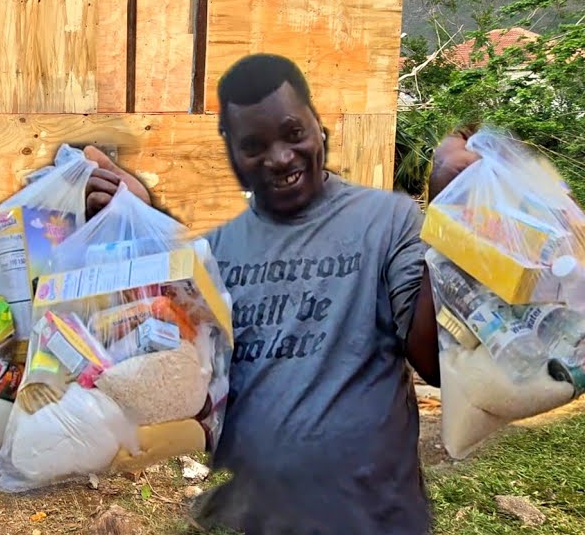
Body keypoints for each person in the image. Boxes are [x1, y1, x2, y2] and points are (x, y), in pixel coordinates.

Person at [84, 54, 478, 535]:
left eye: (294, 134)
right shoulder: (220, 251)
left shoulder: (387, 223)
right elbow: (179, 359)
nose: (279, 157)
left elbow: (435, 362)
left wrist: (452, 214)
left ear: (318, 127)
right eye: (254, 145)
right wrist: (136, 219)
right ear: (232, 152)